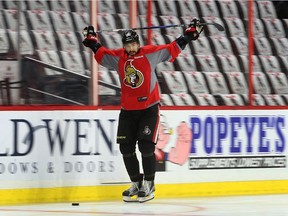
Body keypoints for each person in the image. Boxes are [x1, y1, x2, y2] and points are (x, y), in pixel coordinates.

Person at [82, 18, 203, 203]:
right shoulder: (119, 57)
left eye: (133, 44)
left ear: (138, 43)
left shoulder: (150, 53)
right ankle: (136, 184)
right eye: (127, 45)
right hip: (128, 111)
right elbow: (101, 53)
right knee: (126, 148)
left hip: (149, 109)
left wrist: (188, 35)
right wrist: (92, 41)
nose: (131, 48)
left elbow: (172, 48)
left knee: (146, 146)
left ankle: (149, 184)